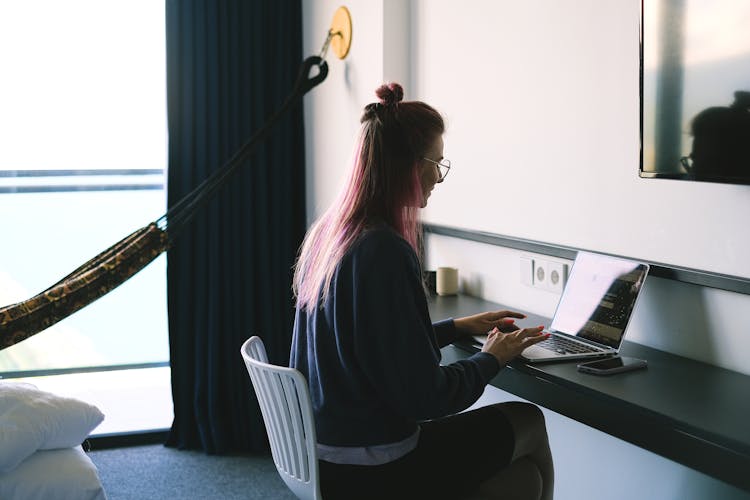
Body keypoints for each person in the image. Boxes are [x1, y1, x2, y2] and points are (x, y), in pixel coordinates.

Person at [290, 82, 554, 500]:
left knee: (524, 484)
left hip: (327, 456)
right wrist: (491, 358)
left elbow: (370, 348)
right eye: (437, 162)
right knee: (530, 422)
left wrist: (455, 327)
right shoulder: (384, 250)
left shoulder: (332, 234)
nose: (438, 177)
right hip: (377, 468)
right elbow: (426, 397)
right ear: (408, 165)